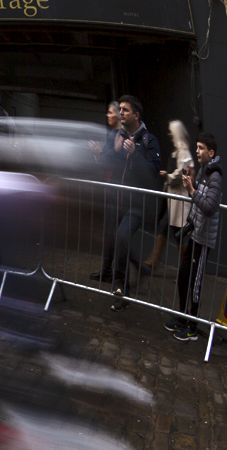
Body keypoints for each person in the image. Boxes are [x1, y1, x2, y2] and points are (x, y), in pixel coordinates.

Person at [89, 95, 163, 310]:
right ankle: (121, 289)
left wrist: (134, 154)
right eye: (119, 109)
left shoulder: (149, 141)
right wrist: (113, 152)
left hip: (136, 205)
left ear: (136, 115)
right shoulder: (116, 136)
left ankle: (121, 284)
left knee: (122, 235)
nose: (121, 113)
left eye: (125, 110)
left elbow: (152, 174)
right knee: (114, 239)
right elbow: (104, 163)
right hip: (115, 201)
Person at [169, 133, 220, 341]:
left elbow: (209, 207)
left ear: (211, 153)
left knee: (195, 284)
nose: (197, 151)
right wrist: (193, 185)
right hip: (195, 234)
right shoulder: (203, 171)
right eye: (197, 147)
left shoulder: (216, 176)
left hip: (204, 239)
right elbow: (199, 200)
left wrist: (191, 190)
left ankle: (192, 326)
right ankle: (182, 317)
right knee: (183, 275)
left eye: (200, 148)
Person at [145, 120, 193, 271]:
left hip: (177, 199)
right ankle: (156, 261)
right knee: (168, 229)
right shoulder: (179, 151)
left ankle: (183, 269)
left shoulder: (183, 152)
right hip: (172, 199)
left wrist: (168, 176)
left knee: (175, 232)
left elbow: (183, 171)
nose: (169, 135)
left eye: (171, 132)